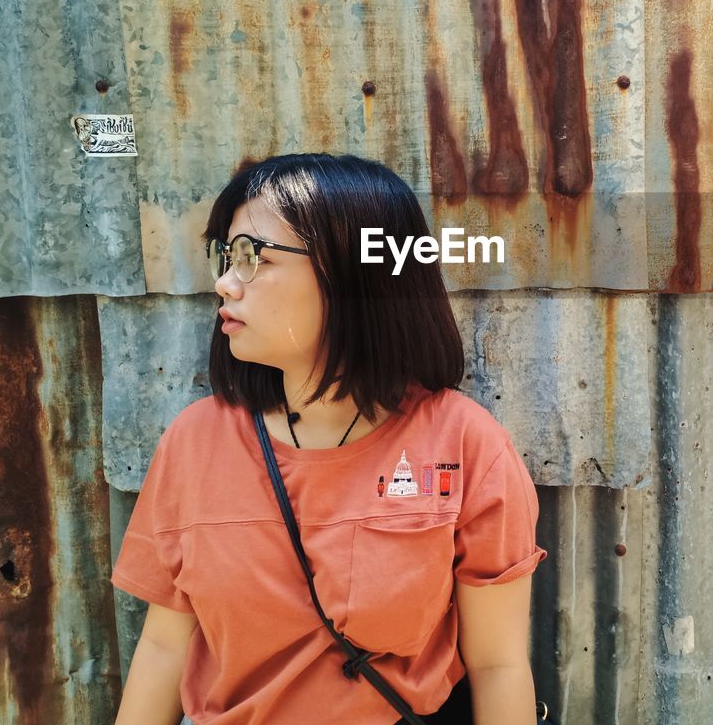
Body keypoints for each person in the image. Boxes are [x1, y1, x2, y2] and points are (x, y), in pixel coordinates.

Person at [111, 153, 547, 724]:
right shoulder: (195, 443)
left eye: (250, 257)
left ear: (352, 274)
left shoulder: (465, 445)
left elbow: (498, 665)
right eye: (225, 254)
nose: (223, 282)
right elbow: (165, 647)